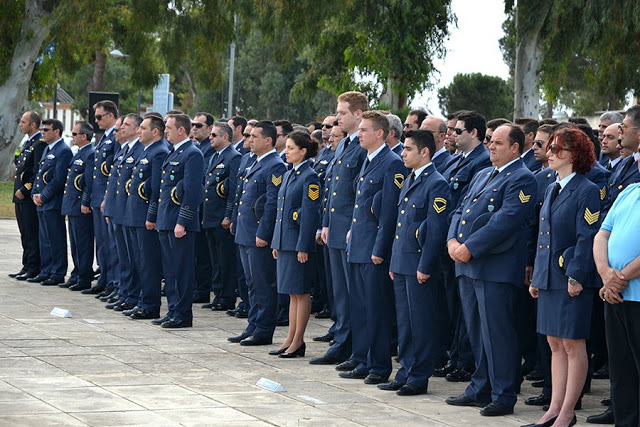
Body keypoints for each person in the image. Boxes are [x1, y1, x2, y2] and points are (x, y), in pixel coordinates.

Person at [445, 123, 536, 417]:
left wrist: (468, 246)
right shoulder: (484, 173)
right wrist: (451, 240)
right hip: (469, 266)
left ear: (515, 148)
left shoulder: (523, 178)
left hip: (495, 267)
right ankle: (480, 386)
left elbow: (505, 221)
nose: (490, 146)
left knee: (498, 334)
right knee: (477, 332)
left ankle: (503, 393)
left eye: (497, 142)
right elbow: (460, 210)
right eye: (489, 141)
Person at [524, 127, 601, 427]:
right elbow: (544, 237)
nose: (551, 153)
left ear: (574, 155)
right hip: (549, 279)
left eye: (557, 149)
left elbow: (587, 237)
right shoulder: (551, 187)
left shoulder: (587, 190)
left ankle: (568, 411)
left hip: (570, 279)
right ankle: (554, 408)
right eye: (551, 147)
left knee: (573, 344)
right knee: (554, 343)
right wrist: (537, 277)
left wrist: (576, 275)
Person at [379, 129, 451, 396]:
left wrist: (426, 265)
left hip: (419, 265)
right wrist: (394, 263)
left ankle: (419, 376)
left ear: (425, 152)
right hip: (402, 262)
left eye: (408, 149)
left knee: (421, 323)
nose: (403, 153)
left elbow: (435, 229)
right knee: (406, 322)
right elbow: (402, 225)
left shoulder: (436, 183)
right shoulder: (410, 179)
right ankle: (405, 371)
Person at [340, 110, 405, 384]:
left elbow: (389, 211)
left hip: (373, 250)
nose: (360, 134)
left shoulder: (391, 163)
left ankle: (379, 366)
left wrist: (380, 249)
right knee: (359, 307)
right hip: (358, 244)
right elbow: (362, 206)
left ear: (380, 133)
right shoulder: (368, 160)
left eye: (365, 130)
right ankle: (362, 359)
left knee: (376, 310)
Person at [311, 91, 368, 366]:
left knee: (353, 293)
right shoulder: (343, 145)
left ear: (358, 114)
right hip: (335, 228)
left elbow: (360, 194)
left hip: (350, 230)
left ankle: (352, 345)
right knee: (339, 293)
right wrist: (324, 223)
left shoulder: (362, 146)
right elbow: (332, 189)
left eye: (342, 113)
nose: (337, 118)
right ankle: (342, 339)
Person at [229, 120, 287, 345]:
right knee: (251, 283)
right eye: (249, 136)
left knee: (263, 283)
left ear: (268, 140)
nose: (249, 140)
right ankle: (253, 324)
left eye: (254, 136)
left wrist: (264, 233)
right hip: (245, 231)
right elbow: (242, 195)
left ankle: (263, 329)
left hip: (257, 234)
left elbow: (272, 203)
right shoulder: (253, 162)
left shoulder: (275, 165)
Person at [594, 168, 640, 427]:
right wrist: (605, 274)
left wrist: (619, 278)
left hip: (635, 294)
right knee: (621, 372)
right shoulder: (630, 191)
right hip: (615, 296)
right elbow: (602, 234)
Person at [270, 131, 321, 358]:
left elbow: (309, 214)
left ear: (303, 151)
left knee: (301, 293)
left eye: (291, 148)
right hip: (285, 242)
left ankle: (298, 341)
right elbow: (281, 212)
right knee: (291, 293)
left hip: (297, 244)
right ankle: (290, 338)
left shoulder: (309, 177)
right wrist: (276, 242)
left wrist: (304, 246)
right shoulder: (291, 174)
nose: (287, 152)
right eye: (287, 147)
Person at [156, 113, 205, 328]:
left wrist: (183, 221)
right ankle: (173, 309)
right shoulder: (174, 152)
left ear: (181, 130)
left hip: (179, 222)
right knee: (171, 270)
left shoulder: (192, 154)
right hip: (167, 218)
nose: (165, 131)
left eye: (168, 127)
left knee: (182, 270)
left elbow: (193, 191)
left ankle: (183, 314)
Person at [120, 115, 169, 317]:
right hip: (134, 214)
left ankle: (150, 305)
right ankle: (141, 300)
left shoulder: (159, 152)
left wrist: (151, 216)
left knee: (148, 263)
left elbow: (156, 189)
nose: (139, 131)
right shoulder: (147, 151)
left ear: (155, 132)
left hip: (145, 217)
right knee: (139, 261)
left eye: (143, 128)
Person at [202, 121, 241, 311]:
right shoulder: (214, 156)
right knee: (215, 259)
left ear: (226, 137)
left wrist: (228, 216)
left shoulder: (233, 157)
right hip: (211, 216)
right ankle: (218, 294)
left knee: (225, 260)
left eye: (214, 135)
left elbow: (233, 191)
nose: (210, 138)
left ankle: (226, 296)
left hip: (221, 218)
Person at [30, 118, 73, 285]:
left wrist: (44, 196)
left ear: (56, 131)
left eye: (46, 130)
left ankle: (57, 272)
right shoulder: (47, 149)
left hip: (52, 202)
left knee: (55, 238)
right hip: (41, 202)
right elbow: (39, 174)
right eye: (42, 130)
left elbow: (58, 179)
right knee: (45, 239)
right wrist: (35, 193)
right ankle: (46, 270)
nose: (43, 132)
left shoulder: (63, 150)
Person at [82, 100, 119, 295]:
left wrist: (106, 198)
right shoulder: (104, 138)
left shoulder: (115, 137)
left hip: (106, 198)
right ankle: (104, 278)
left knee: (110, 244)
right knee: (102, 243)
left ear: (111, 115)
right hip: (97, 197)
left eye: (99, 116)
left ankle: (112, 281)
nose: (95, 121)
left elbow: (112, 172)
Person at [60, 121, 95, 291]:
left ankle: (84, 276)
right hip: (72, 204)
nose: (72, 137)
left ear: (84, 136)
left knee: (83, 244)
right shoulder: (79, 153)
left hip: (80, 205)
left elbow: (88, 182)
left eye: (75, 134)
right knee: (74, 244)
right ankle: (77, 273)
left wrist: (85, 202)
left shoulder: (89, 154)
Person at [11, 111, 46, 281]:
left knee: (31, 232)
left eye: (24, 122)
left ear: (33, 125)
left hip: (26, 195)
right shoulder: (28, 142)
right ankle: (26, 264)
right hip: (19, 196)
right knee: (24, 232)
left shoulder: (39, 144)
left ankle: (34, 266)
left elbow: (36, 172)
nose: (20, 124)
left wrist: (25, 189)